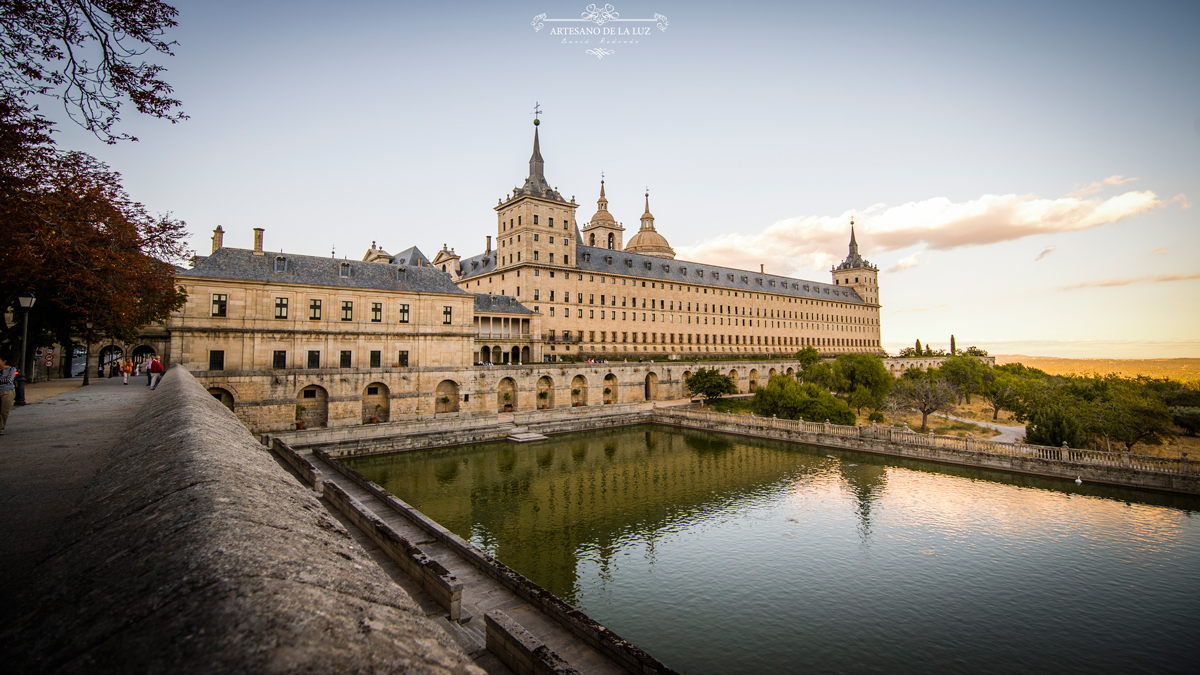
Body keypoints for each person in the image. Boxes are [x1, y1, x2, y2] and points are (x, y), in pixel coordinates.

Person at [0, 354, 16, 436]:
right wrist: (4, 379)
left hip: (7, 391)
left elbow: (9, 380)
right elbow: (6, 380)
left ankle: (1, 428)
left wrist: (5, 379)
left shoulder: (12, 369)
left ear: (4, 361)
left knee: (4, 411)